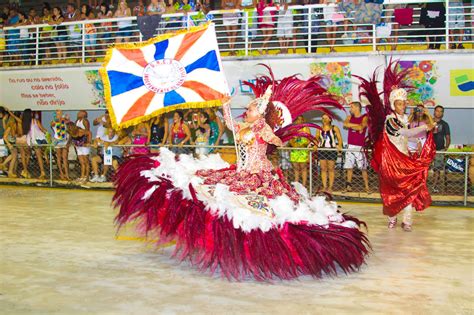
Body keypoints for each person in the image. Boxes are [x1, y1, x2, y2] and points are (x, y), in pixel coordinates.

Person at [113, 67, 368, 281]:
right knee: (211, 196)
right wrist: (225, 104)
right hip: (241, 171)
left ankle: (257, 252)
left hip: (259, 176)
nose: (248, 110)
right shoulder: (244, 127)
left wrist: (272, 131)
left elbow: (276, 142)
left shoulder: (262, 129)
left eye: (252, 108)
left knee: (257, 213)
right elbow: (230, 124)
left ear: (260, 112)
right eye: (248, 108)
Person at [358, 61, 436, 232]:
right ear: (394, 105)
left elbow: (409, 137)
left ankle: (407, 221)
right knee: (392, 192)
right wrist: (424, 127)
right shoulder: (390, 120)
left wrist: (416, 146)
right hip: (392, 163)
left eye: (404, 103)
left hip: (404, 159)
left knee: (409, 190)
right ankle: (392, 219)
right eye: (400, 103)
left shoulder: (403, 119)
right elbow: (404, 134)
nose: (404, 106)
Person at [343, 101, 370, 193]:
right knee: (349, 167)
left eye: (352, 107)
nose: (350, 109)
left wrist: (358, 127)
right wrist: (357, 126)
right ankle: (348, 186)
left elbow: (362, 127)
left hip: (360, 146)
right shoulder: (349, 117)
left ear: (357, 108)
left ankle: (367, 187)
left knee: (363, 168)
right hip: (350, 145)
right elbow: (345, 124)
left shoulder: (364, 117)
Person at [316, 113, 342, 194]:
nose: (324, 120)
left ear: (330, 119)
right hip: (322, 150)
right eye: (323, 118)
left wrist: (339, 146)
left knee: (331, 169)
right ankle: (324, 186)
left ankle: (330, 187)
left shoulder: (335, 128)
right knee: (323, 169)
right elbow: (316, 138)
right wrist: (315, 145)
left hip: (331, 150)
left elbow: (339, 139)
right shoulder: (319, 129)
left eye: (326, 118)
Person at [288, 115, 311, 187]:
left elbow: (309, 139)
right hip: (294, 150)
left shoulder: (306, 128)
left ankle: (304, 184)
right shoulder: (292, 129)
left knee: (303, 168)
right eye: (298, 119)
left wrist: (302, 144)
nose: (299, 121)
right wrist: (293, 144)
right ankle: (296, 183)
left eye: (301, 119)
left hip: (303, 150)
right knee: (296, 168)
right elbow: (290, 139)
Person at [432, 105, 450, 193]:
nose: (439, 112)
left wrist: (445, 148)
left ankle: (434, 187)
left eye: (441, 111)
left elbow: (448, 137)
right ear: (434, 112)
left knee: (437, 169)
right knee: (423, 169)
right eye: (437, 111)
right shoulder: (428, 122)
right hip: (427, 150)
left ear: (443, 113)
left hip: (439, 150)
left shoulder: (445, 124)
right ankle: (421, 187)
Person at [50, 109, 70, 180]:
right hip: (57, 141)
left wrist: (66, 119)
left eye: (61, 113)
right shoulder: (54, 121)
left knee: (65, 158)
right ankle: (61, 173)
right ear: (55, 114)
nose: (60, 115)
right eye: (58, 113)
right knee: (59, 157)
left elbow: (69, 126)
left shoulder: (64, 121)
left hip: (64, 140)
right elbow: (52, 124)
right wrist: (57, 119)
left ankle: (67, 174)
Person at [73, 110, 91, 182]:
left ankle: (87, 176)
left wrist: (87, 142)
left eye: (80, 112)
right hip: (78, 143)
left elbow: (87, 132)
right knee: (81, 162)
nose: (78, 113)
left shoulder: (85, 121)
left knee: (86, 161)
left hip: (84, 143)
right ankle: (82, 176)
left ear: (84, 114)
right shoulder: (77, 121)